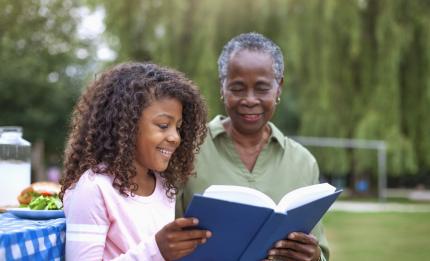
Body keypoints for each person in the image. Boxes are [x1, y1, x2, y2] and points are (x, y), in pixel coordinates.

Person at [176, 33, 330, 261]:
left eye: (262, 88)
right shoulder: (186, 149)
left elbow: (319, 249)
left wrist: (315, 256)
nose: (249, 100)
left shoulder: (303, 162)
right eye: (237, 88)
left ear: (279, 88)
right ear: (222, 87)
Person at [60, 62, 212, 261]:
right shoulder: (95, 188)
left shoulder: (163, 186)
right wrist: (158, 250)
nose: (175, 137)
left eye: (178, 127)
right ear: (127, 125)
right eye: (163, 125)